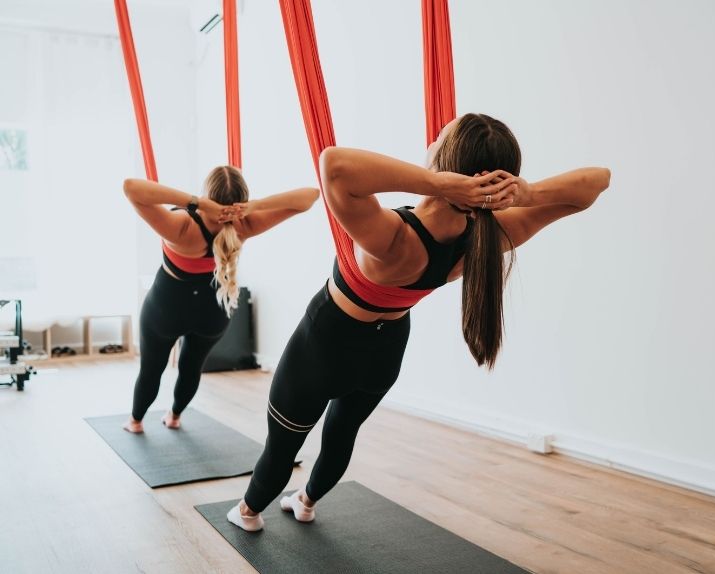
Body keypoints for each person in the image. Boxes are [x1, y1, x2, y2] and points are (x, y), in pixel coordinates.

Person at [225, 114, 610, 530]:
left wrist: (440, 184)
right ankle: (305, 501)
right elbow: (597, 181)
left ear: (442, 162)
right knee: (342, 434)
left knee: (281, 449)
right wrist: (527, 193)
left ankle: (248, 512)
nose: (435, 132)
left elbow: (334, 164)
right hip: (384, 353)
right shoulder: (489, 238)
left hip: (322, 347)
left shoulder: (393, 236)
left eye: (441, 134)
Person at [122, 166, 319, 433]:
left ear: (206, 194)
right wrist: (255, 206)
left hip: (165, 309)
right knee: (191, 369)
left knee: (151, 370)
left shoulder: (181, 226)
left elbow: (131, 187)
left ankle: (135, 421)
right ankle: (175, 417)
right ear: (243, 201)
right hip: (212, 312)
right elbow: (310, 195)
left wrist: (197, 203)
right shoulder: (245, 225)